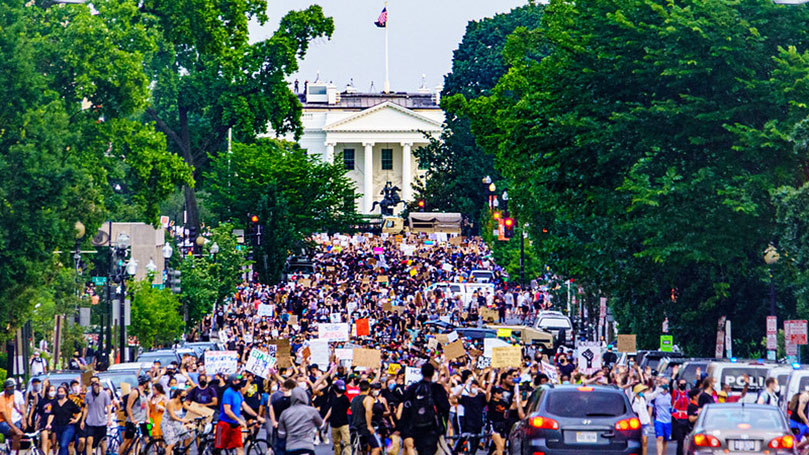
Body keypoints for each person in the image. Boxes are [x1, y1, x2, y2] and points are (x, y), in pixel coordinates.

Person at [402, 363, 450, 455]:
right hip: (432, 427)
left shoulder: (413, 388)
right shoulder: (437, 388)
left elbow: (406, 408)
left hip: (416, 427)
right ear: (433, 374)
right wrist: (442, 426)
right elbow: (445, 407)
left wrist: (405, 429)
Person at [215, 374, 264, 455]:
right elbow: (227, 410)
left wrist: (257, 416)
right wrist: (239, 420)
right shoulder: (228, 393)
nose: (239, 382)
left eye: (240, 380)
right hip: (224, 424)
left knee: (239, 447)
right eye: (237, 381)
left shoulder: (238, 393)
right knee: (219, 448)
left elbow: (245, 406)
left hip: (235, 425)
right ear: (232, 382)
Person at [278, 387, 323, 455]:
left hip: (291, 447)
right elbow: (322, 426)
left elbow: (281, 434)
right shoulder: (312, 411)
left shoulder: (285, 413)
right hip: (307, 447)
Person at [119, 374, 151, 455]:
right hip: (133, 420)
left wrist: (147, 418)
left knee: (147, 439)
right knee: (127, 440)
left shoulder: (145, 394)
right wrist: (132, 419)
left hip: (142, 421)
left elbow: (147, 407)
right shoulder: (135, 393)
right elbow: (128, 407)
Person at [46, 385, 82, 455]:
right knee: (62, 446)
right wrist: (48, 423)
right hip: (58, 426)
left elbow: (79, 412)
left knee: (63, 444)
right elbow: (52, 414)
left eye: (62, 392)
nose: (60, 393)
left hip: (68, 426)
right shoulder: (55, 403)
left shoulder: (70, 403)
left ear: (65, 393)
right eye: (59, 392)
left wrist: (76, 420)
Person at [82, 378, 112, 455]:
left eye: (95, 382)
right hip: (91, 422)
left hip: (101, 422)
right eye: (92, 382)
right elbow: (86, 408)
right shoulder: (88, 394)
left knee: (102, 443)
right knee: (89, 441)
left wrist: (109, 419)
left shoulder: (104, 394)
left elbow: (108, 407)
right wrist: (82, 420)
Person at [350, 380, 380, 455]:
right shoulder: (368, 398)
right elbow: (368, 410)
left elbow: (351, 409)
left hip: (354, 425)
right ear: (369, 389)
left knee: (362, 448)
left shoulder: (354, 399)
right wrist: (369, 425)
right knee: (376, 448)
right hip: (363, 426)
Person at [322, 380, 350, 455]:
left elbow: (349, 408)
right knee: (336, 443)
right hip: (334, 423)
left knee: (346, 442)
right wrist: (325, 419)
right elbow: (331, 409)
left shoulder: (345, 398)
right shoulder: (333, 398)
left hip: (344, 423)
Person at [161, 389, 193, 455]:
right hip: (167, 424)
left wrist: (203, 414)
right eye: (183, 395)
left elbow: (190, 409)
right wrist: (182, 420)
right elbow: (172, 416)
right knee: (171, 444)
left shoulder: (182, 402)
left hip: (175, 423)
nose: (185, 397)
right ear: (178, 395)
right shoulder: (170, 403)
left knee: (187, 435)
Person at [0, 379, 24, 455]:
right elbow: (6, 418)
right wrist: (15, 429)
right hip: (2, 422)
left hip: (9, 421)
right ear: (5, 389)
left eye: (13, 387)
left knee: (17, 437)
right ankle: (12, 453)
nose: (12, 389)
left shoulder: (12, 396)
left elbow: (13, 404)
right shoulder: (1, 399)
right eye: (10, 387)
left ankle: (11, 451)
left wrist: (19, 411)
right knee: (17, 433)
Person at [670, 378, 690, 455]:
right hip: (677, 418)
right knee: (680, 440)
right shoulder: (675, 393)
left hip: (686, 418)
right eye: (682, 384)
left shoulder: (687, 393)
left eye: (685, 384)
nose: (683, 385)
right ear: (678, 385)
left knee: (686, 439)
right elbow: (671, 388)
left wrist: (698, 377)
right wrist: (673, 377)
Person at [631, 384, 651, 455]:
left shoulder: (643, 399)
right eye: (641, 391)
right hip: (637, 424)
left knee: (645, 441)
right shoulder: (633, 400)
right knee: (638, 442)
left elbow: (653, 396)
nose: (643, 392)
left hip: (645, 423)